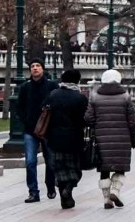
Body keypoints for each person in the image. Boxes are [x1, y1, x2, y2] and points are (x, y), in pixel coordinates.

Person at [85, 69, 135, 210]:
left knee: (104, 169)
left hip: (101, 139)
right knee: (120, 167)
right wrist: (134, 138)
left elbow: (88, 118)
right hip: (123, 138)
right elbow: (132, 121)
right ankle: (116, 190)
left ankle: (107, 198)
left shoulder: (95, 97)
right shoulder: (125, 97)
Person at [46, 69, 89, 209]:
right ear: (77, 81)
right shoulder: (80, 98)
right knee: (74, 167)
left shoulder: (53, 95)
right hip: (74, 138)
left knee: (59, 168)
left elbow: (44, 111)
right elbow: (86, 119)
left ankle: (65, 201)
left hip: (54, 138)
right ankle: (69, 188)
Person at [19, 58, 57, 204]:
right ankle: (33, 192)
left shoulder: (52, 85)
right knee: (30, 161)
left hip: (48, 130)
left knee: (51, 161)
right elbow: (19, 107)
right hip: (30, 130)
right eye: (33, 66)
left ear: (42, 69)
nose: (35, 68)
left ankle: (50, 186)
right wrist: (25, 120)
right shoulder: (25, 87)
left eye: (38, 66)